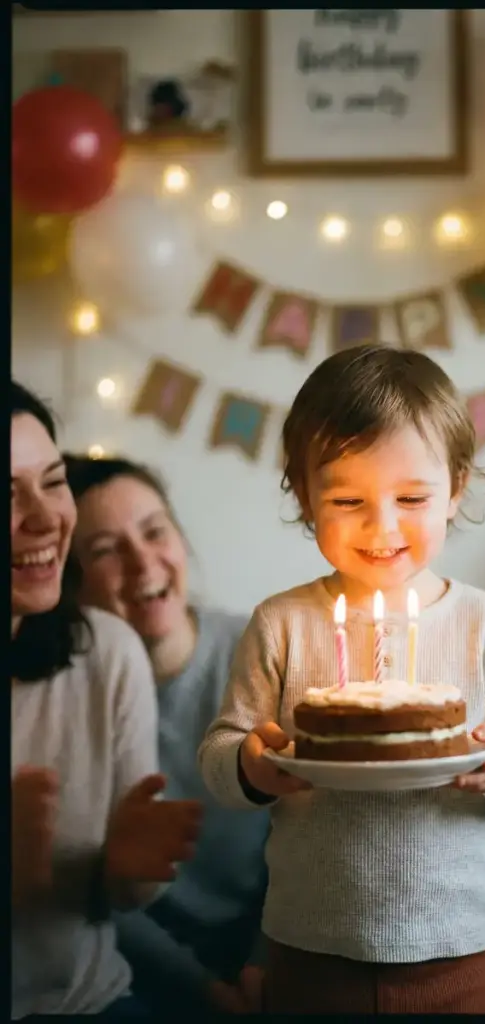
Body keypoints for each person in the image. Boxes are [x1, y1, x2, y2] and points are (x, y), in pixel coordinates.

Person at [198, 344, 485, 1014]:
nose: (383, 526)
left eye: (411, 497)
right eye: (346, 498)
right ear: (303, 493)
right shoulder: (281, 623)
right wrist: (252, 765)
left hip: (454, 951)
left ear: (456, 487)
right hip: (309, 947)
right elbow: (221, 754)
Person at [11, 381, 202, 1020]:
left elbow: (125, 894)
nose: (42, 517)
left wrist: (132, 871)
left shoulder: (106, 651)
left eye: (52, 480)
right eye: (6, 493)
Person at [63, 454, 271, 1016]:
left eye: (155, 531)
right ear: (70, 583)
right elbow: (93, 892)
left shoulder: (263, 650)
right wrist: (202, 991)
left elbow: (313, 840)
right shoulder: (63, 700)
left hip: (274, 942)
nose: (142, 561)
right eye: (105, 550)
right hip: (140, 967)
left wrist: (262, 965)